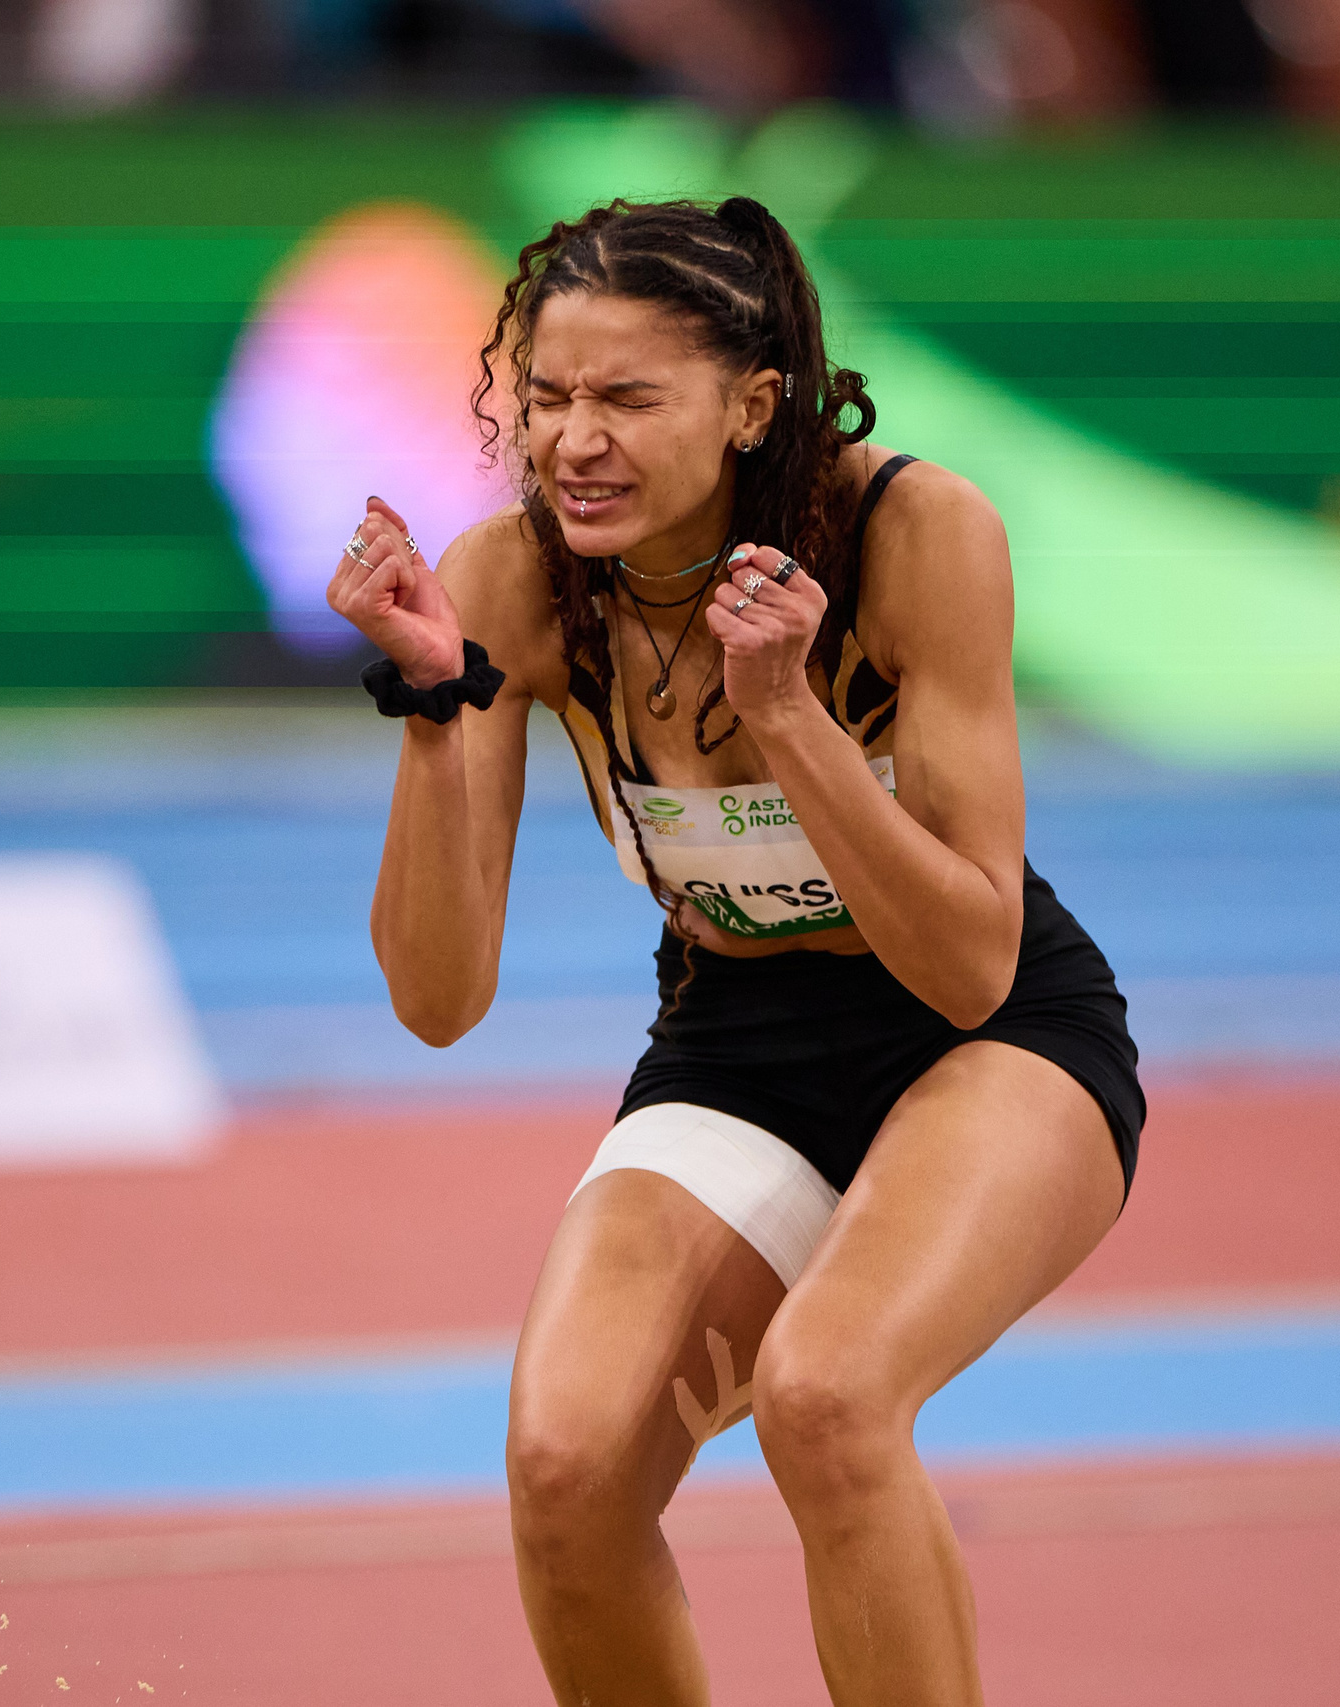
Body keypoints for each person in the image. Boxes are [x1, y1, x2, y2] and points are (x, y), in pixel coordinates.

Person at [326, 195, 1143, 1707]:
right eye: (550, 397)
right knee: (566, 1466)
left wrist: (787, 715)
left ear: (752, 405)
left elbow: (968, 959)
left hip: (991, 1037)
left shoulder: (918, 533)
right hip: (738, 1041)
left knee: (829, 1398)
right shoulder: (515, 577)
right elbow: (439, 1002)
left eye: (629, 398)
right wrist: (440, 706)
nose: (575, 440)